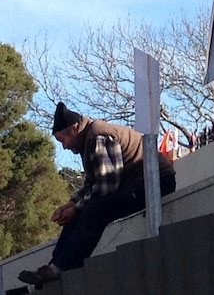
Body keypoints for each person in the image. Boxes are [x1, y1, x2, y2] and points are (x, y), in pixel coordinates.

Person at [18, 102, 177, 285]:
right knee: (81, 211)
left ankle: (63, 267)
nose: (65, 147)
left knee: (95, 209)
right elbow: (92, 184)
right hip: (136, 184)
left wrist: (76, 208)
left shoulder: (98, 136)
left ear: (75, 129)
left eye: (63, 140)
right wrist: (70, 205)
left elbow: (107, 185)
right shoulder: (88, 140)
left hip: (156, 182)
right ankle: (54, 267)